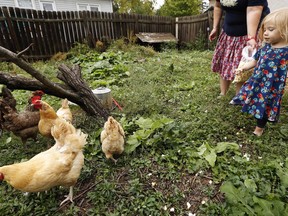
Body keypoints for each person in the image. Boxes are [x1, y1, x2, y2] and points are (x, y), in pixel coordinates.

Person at [230, 8, 288, 136]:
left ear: (285, 31)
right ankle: (241, 101)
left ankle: (259, 128)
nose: (266, 33)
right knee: (249, 94)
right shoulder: (266, 47)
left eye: (271, 30)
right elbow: (255, 61)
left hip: (272, 86)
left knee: (265, 105)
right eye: (265, 30)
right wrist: (244, 67)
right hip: (257, 80)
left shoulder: (285, 51)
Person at [209, 0, 270, 97]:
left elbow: (254, 10)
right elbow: (218, 6)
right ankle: (223, 92)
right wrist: (215, 27)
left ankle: (240, 96)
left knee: (244, 64)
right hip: (229, 31)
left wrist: (251, 37)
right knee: (225, 62)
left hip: (251, 32)